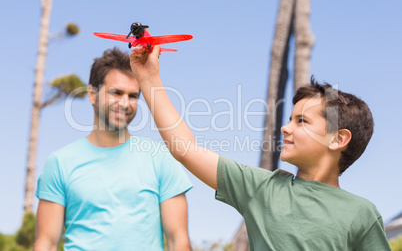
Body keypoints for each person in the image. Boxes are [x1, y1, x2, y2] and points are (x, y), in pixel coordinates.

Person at [129, 45, 392, 250]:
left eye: (302, 121)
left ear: (337, 139)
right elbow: (185, 148)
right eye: (289, 119)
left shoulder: (362, 214)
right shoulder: (262, 188)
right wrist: (149, 78)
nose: (285, 128)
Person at [34, 48, 193, 251]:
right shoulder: (59, 163)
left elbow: (178, 240)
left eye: (133, 96)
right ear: (92, 95)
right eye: (116, 93)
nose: (125, 103)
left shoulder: (160, 158)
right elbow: (46, 243)